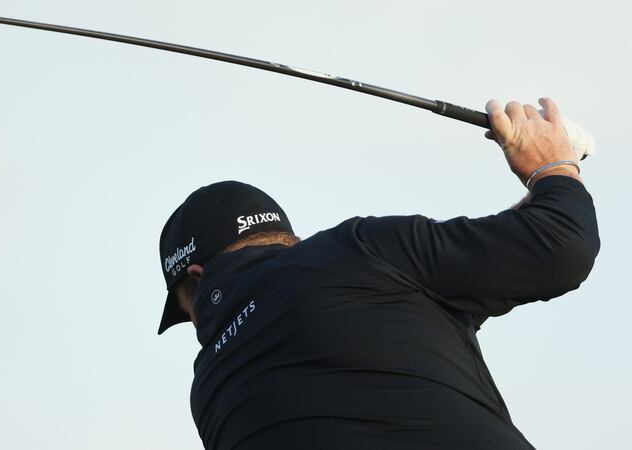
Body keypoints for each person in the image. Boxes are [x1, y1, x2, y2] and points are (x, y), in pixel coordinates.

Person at [156, 98, 600, 450]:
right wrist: (552, 166)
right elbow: (560, 246)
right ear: (288, 239)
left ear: (198, 277)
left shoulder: (210, 393)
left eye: (186, 311)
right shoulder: (353, 252)